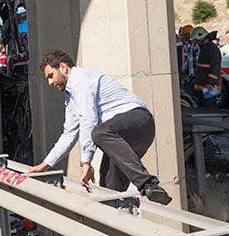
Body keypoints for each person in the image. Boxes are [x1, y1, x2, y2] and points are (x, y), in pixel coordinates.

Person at [26, 50, 171, 205]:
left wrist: (86, 162)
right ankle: (115, 223)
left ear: (63, 67)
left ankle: (147, 184)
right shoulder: (71, 97)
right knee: (109, 193)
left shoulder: (80, 79)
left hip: (139, 122)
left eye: (50, 76)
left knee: (99, 133)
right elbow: (69, 134)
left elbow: (89, 120)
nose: (50, 83)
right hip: (121, 140)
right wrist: (44, 165)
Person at [190, 27, 222, 109]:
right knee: (203, 107)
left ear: (201, 38)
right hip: (203, 85)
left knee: (210, 108)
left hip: (210, 86)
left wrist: (210, 82)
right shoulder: (204, 48)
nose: (196, 43)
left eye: (197, 41)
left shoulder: (212, 49)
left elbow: (215, 68)